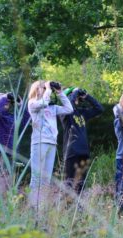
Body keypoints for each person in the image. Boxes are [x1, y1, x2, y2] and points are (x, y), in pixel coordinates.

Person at [27, 80, 73, 210]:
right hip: (39, 142)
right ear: (37, 89)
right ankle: (33, 207)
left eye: (46, 88)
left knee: (46, 178)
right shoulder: (32, 103)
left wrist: (60, 93)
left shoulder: (52, 107)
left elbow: (69, 109)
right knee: (37, 176)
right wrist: (47, 89)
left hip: (52, 143)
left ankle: (41, 208)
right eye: (42, 87)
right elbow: (43, 103)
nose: (46, 89)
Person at [61, 87, 103, 194]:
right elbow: (69, 104)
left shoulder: (81, 113)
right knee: (69, 182)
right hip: (71, 151)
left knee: (81, 183)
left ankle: (79, 209)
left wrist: (87, 97)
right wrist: (74, 92)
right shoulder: (64, 112)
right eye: (75, 97)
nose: (77, 99)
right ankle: (68, 207)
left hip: (83, 152)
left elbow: (99, 109)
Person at [0, 92, 30, 199]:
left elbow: (27, 119)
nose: (7, 103)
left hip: (11, 155)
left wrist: (21, 105)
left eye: (9, 102)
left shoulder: (12, 117)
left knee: (8, 184)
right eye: (3, 101)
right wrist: (5, 97)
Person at [113, 103, 123, 213]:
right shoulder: (118, 120)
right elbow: (117, 111)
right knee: (121, 186)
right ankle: (119, 211)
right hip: (122, 156)